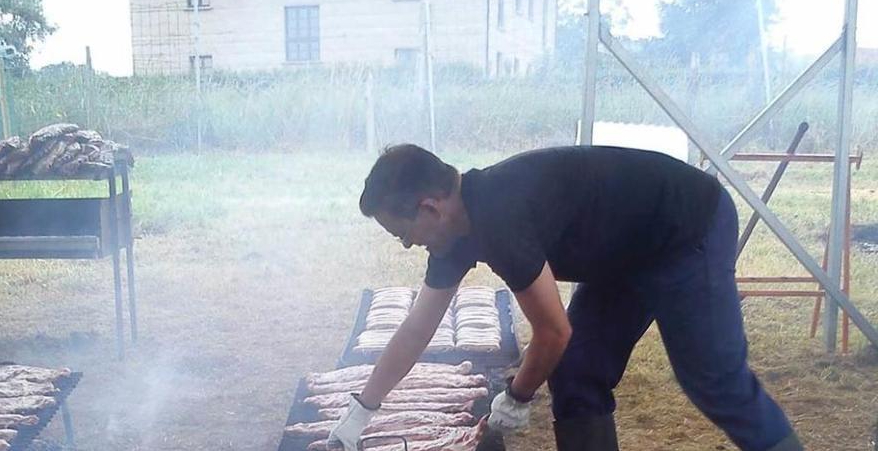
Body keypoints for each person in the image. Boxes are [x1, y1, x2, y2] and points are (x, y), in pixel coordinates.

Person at [327, 144, 802, 451]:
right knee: (577, 373)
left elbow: (553, 333)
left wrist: (516, 397)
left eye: (403, 233)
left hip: (684, 226)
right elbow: (416, 328)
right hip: (622, 252)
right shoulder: (455, 231)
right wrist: (362, 410)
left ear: (429, 207)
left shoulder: (500, 220)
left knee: (715, 380)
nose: (408, 245)